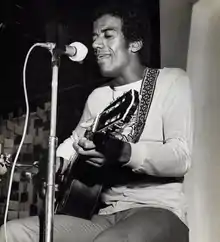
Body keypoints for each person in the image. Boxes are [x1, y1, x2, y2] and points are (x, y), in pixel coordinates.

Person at [0, 2, 193, 242]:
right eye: (94, 37)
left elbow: (180, 157)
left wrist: (125, 152)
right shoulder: (99, 97)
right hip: (102, 216)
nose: (95, 44)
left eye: (107, 35)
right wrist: (58, 162)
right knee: (11, 233)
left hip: (158, 211)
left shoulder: (171, 81)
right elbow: (74, 142)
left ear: (135, 43)